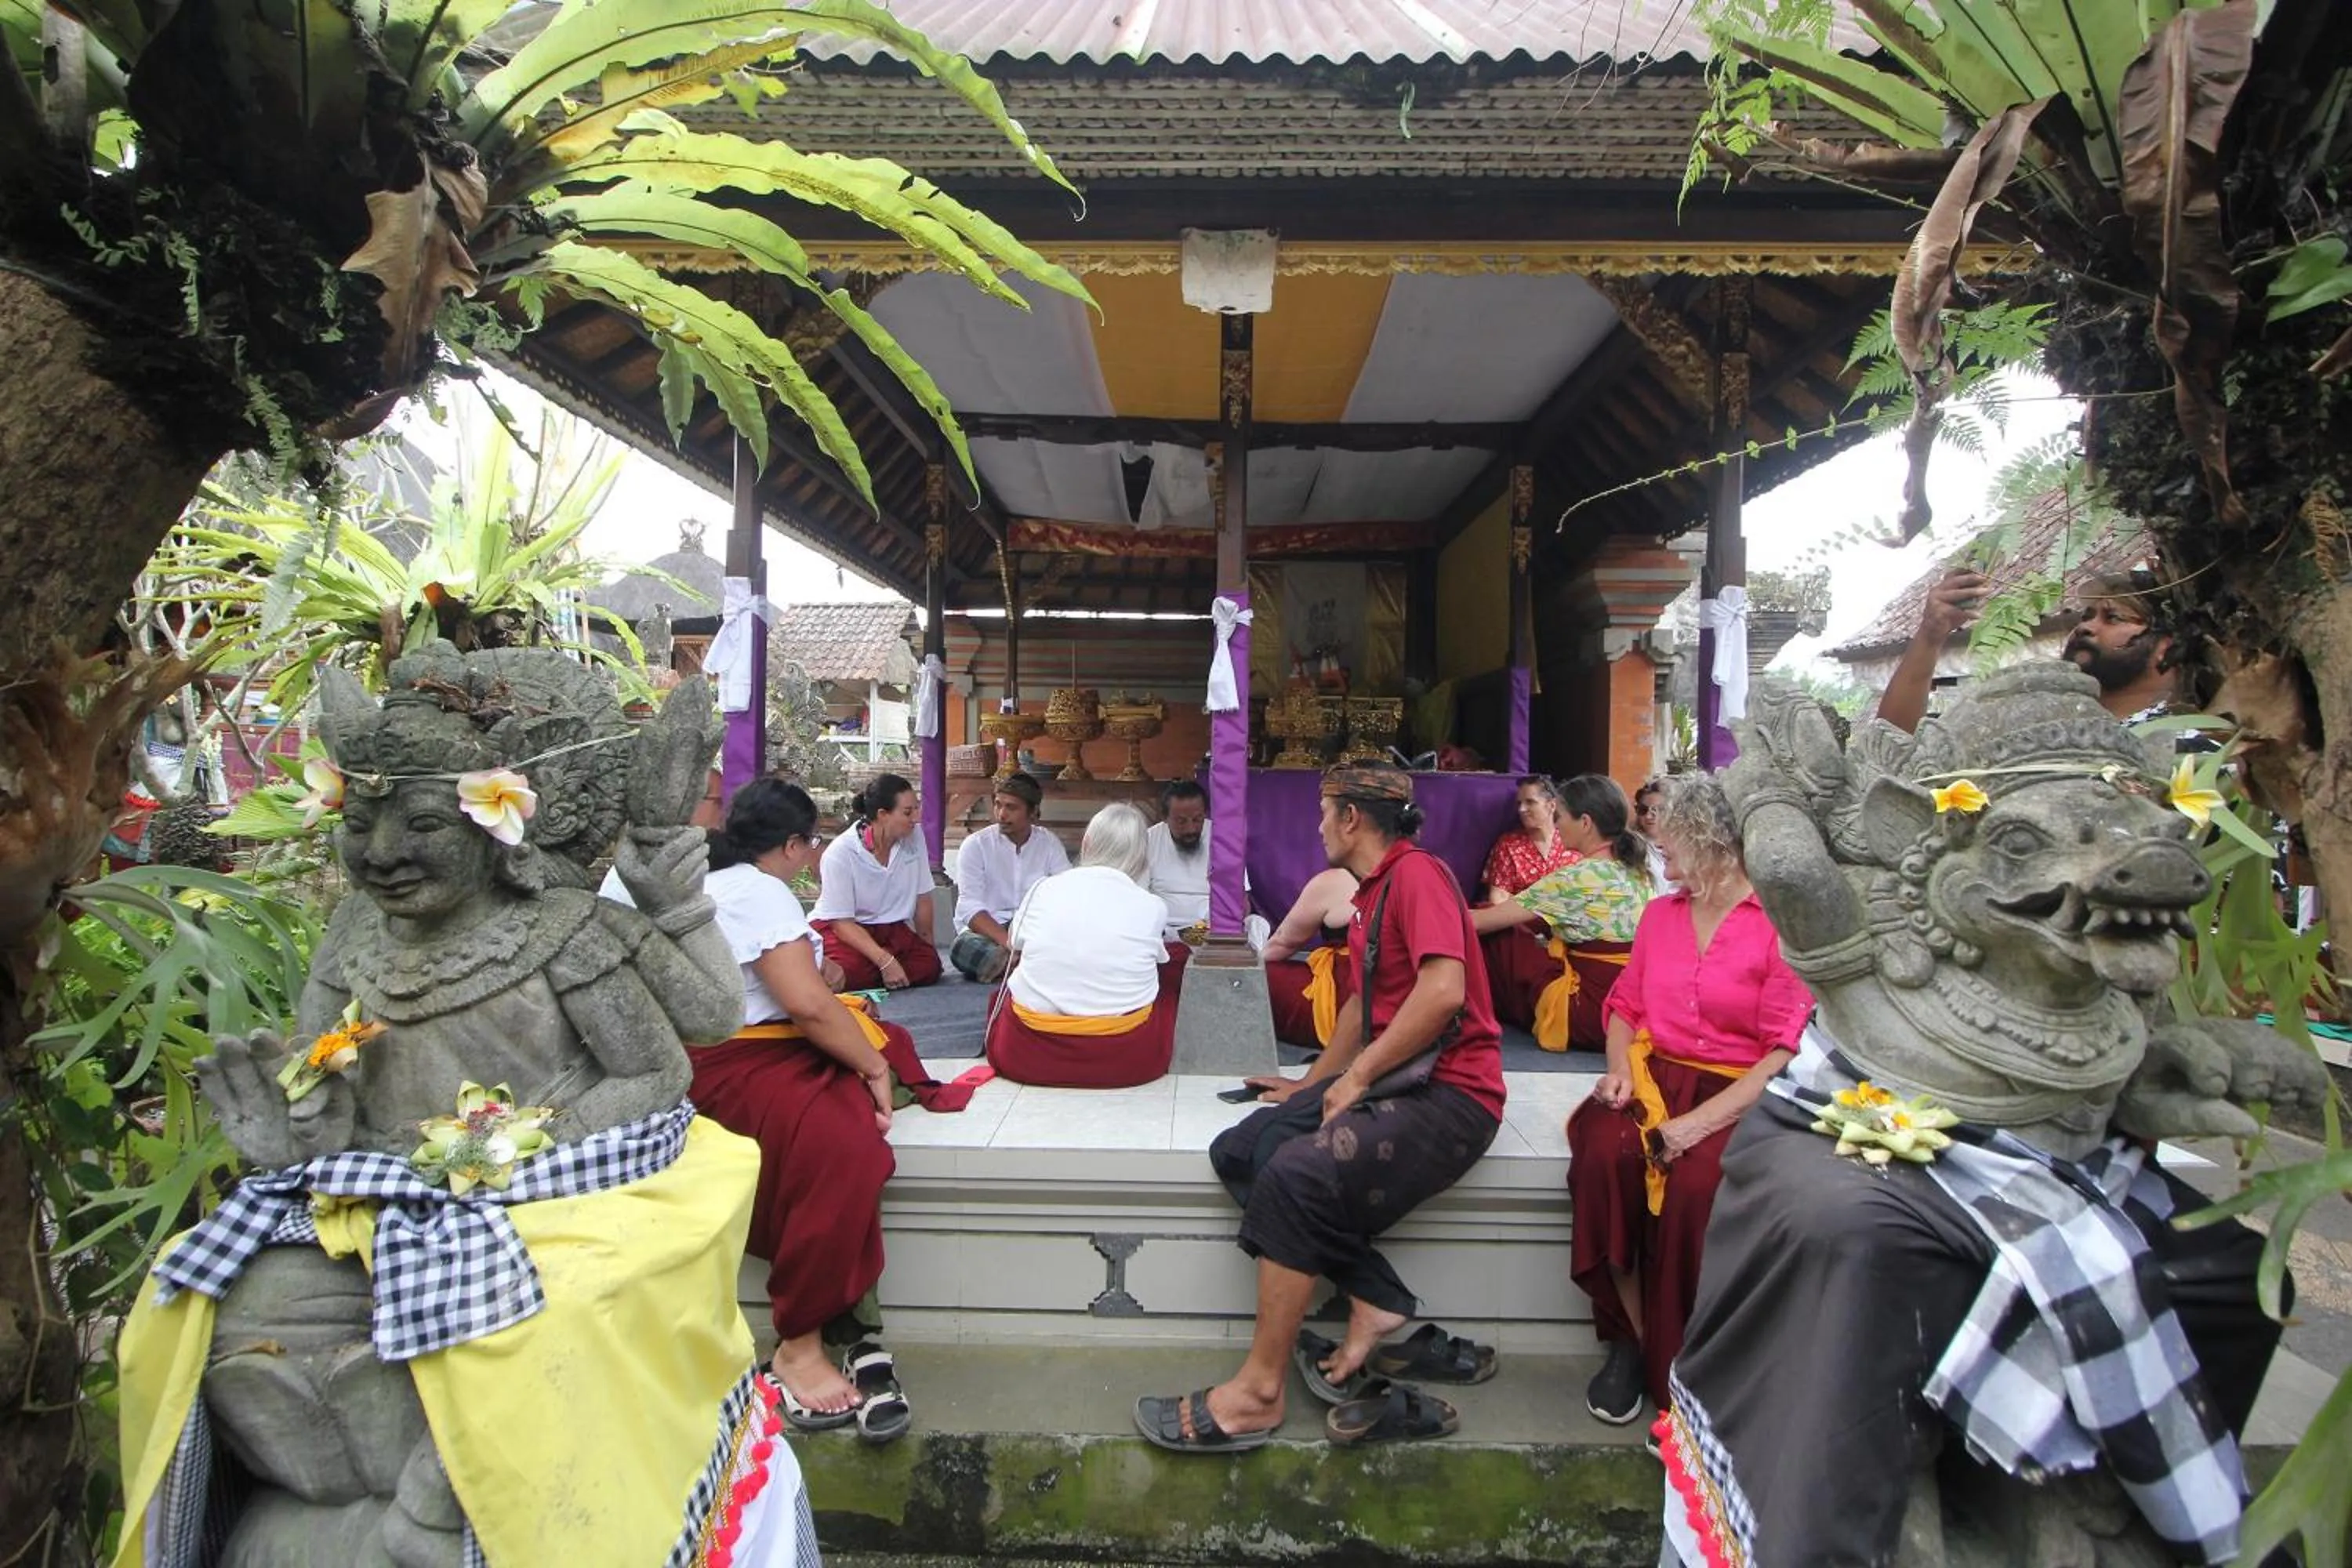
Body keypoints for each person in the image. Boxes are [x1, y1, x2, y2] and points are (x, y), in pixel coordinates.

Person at [1135, 764, 1505, 1453]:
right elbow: (1365, 1005)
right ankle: (1374, 1294)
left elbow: (1444, 992)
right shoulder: (1373, 890)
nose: (1317, 826)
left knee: (1293, 1175)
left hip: (1452, 1093)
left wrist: (1358, 1078)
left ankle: (1258, 1393)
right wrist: (1313, 1085)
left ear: (1352, 819)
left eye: (1324, 812)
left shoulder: (1420, 876)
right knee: (1242, 1149)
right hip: (1393, 1079)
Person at [1568, 775, 1812, 1432]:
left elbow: (1782, 1053)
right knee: (1603, 1153)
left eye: (1669, 837)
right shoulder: (1660, 915)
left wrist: (1695, 1126)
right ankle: (1632, 1341)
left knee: (1698, 1187)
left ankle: (1685, 1367)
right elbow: (1623, 1008)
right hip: (1653, 1077)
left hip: (1735, 1094)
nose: (1656, 847)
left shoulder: (1773, 926)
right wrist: (1619, 1073)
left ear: (1712, 841)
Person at [677, 778, 918, 1441]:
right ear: (790, 845)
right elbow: (807, 1005)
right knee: (846, 1149)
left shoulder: (712, 882)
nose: (812, 855)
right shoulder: (758, 890)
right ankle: (801, 1342)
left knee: (869, 1074)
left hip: (738, 1052)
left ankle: (852, 1327)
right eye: (809, 842)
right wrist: (868, 1068)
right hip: (740, 1063)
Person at [985, 803, 1188, 1087]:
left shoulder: (1044, 888)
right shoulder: (1152, 906)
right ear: (1143, 856)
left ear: (1087, 843)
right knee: (1175, 964)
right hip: (1127, 1057)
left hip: (1026, 1053)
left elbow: (1014, 942)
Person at [1878, 566, 2182, 734]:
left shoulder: (2193, 750)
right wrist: (1931, 634)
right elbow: (1891, 745)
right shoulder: (2027, 728)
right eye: (2087, 616)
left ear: (2166, 649)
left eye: (2112, 617)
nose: (2085, 627)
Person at [1474, 774, 1653, 1050]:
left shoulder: (1577, 877)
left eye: (1559, 818)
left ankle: (1468, 1019)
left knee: (1494, 933)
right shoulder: (1638, 871)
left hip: (1589, 1012)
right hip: (1632, 1013)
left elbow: (1480, 922)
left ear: (1585, 823)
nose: (1555, 827)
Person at [812, 773, 942, 992]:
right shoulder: (841, 853)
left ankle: (877, 975)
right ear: (882, 814)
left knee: (929, 965)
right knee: (850, 969)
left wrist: (927, 946)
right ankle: (874, 972)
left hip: (891, 929)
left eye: (917, 809)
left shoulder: (915, 836)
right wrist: (885, 961)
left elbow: (923, 898)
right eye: (908, 812)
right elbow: (841, 923)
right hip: (845, 929)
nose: (916, 818)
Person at [949, 771, 1069, 982]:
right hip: (990, 932)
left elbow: (1065, 896)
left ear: (1033, 813)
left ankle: (1010, 967)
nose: (1001, 814)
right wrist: (1009, 943)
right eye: (998, 804)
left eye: (1011, 807)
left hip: (1032, 929)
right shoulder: (976, 846)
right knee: (962, 948)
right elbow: (969, 907)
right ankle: (1032, 967)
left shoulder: (1048, 844)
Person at [1261, 866, 1360, 1051]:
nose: (1323, 835)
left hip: (1349, 1003)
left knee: (1259, 978)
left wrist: (1244, 973)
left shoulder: (1335, 880)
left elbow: (1283, 943)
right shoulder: (1423, 871)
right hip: (1411, 1009)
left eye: (1329, 833)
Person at [1481, 775, 1577, 901]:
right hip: (1518, 918)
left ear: (1552, 805)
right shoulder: (1509, 845)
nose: (1522, 809)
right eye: (1519, 803)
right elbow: (1498, 897)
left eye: (1530, 802)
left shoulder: (1573, 839)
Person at [1145, 779, 1213, 934]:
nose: (1191, 829)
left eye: (1197, 820)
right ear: (1164, 817)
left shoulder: (1223, 840)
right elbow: (1137, 895)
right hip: (1162, 928)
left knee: (1257, 924)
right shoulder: (1149, 840)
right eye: (1181, 821)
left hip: (1211, 930)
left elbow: (1241, 898)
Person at [1634, 778, 1673, 891]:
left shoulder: (1688, 848)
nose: (1649, 816)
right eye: (1643, 810)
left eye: (1658, 810)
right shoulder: (1632, 848)